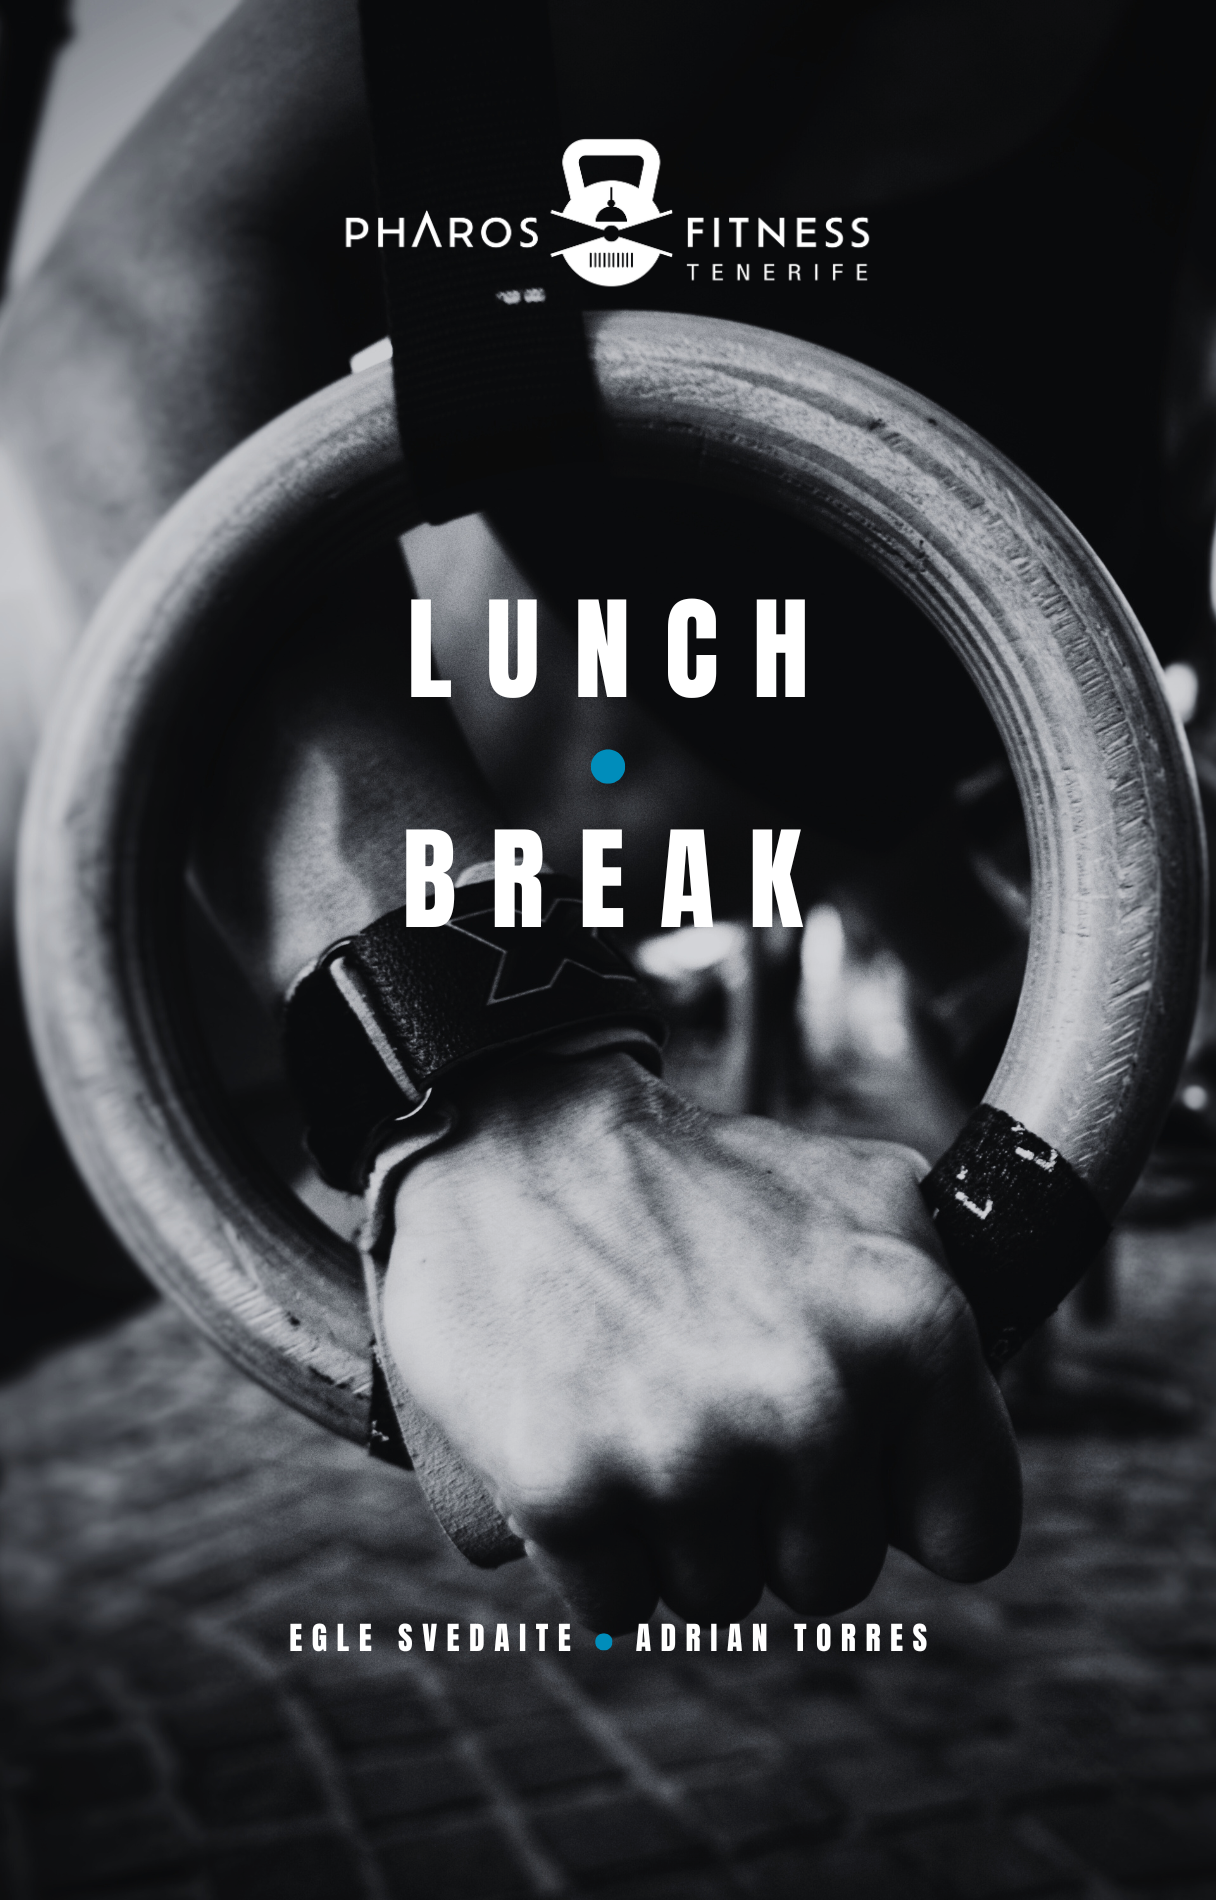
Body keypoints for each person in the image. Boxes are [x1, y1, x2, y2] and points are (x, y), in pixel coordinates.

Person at [6, 0, 1210, 1629]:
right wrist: (491, 1077)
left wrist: (1014, 994)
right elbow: (137, 285)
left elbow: (855, 768)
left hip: (304, 1046)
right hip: (163, 893)